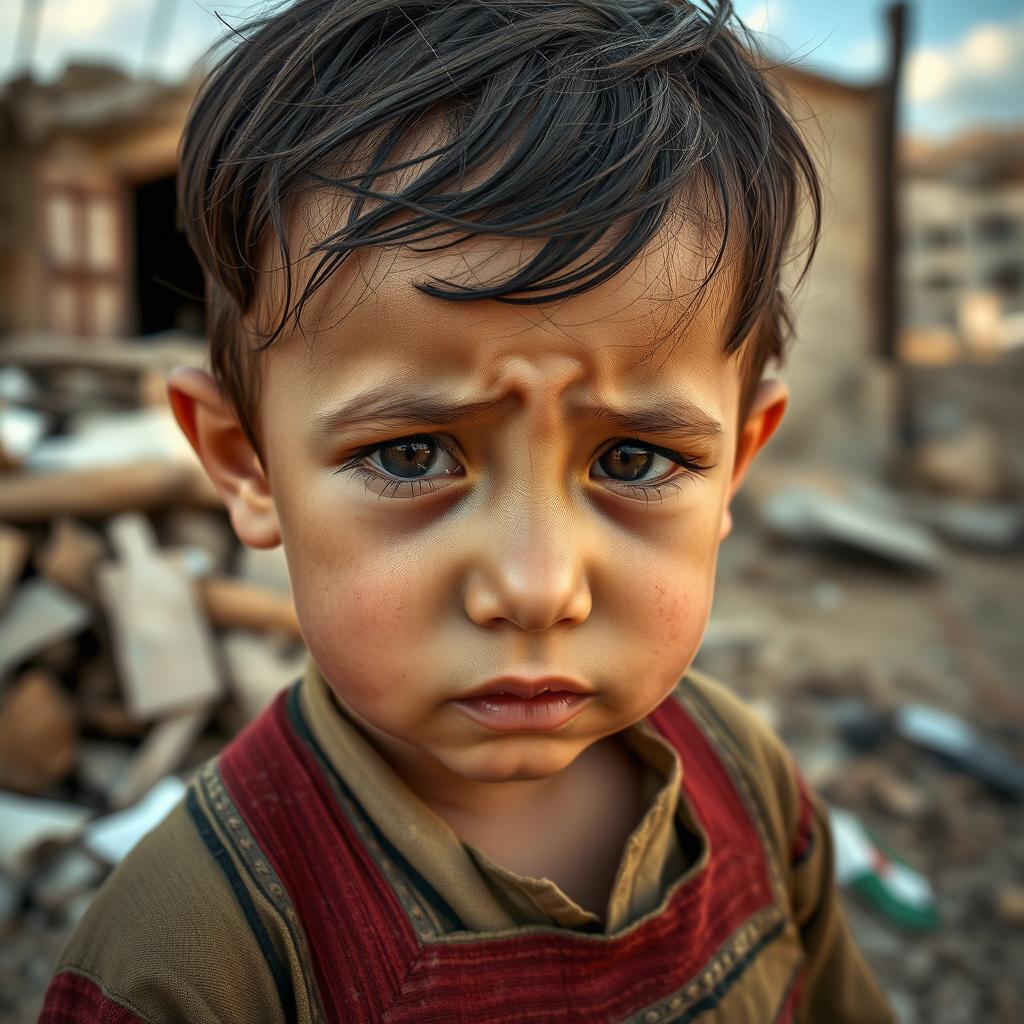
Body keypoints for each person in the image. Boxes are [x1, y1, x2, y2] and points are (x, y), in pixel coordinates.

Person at [39, 1, 895, 1021]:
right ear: (246, 462)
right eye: (410, 455)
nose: (535, 587)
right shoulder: (189, 963)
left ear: (737, 464)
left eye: (633, 458)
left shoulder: (748, 782)